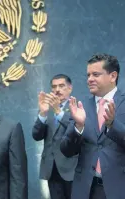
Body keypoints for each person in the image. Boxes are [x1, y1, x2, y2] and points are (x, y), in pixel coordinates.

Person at [60, 53, 125, 199]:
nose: (90, 79)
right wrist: (78, 127)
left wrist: (113, 125)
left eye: (95, 74)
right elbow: (66, 150)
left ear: (113, 76)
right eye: (88, 75)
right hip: (86, 190)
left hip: (119, 188)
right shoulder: (81, 107)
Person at [32, 74, 77, 199]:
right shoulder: (47, 109)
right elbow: (36, 136)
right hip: (51, 168)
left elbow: (75, 131)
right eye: (54, 87)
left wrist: (58, 111)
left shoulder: (76, 107)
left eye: (61, 86)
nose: (57, 90)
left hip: (72, 168)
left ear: (70, 88)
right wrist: (43, 113)